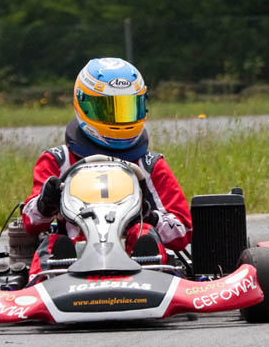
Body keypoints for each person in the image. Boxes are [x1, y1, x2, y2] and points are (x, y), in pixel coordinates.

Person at [22, 57, 192, 276]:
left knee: (145, 235)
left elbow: (183, 232)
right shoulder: (57, 160)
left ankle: (151, 273)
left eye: (126, 109)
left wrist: (150, 217)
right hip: (72, 254)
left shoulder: (150, 165)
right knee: (54, 243)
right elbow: (30, 222)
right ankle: (41, 287)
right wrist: (46, 203)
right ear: (83, 105)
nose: (118, 120)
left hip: (134, 255)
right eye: (107, 110)